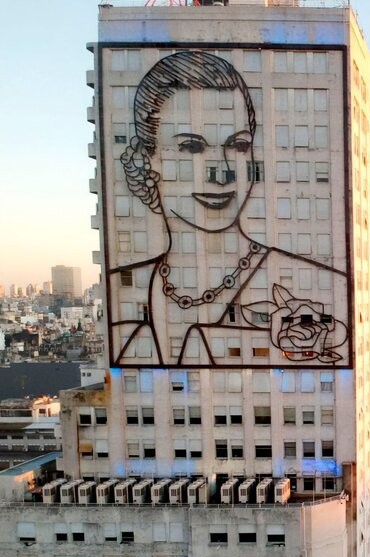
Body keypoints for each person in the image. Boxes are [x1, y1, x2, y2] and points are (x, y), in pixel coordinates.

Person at [108, 50, 347, 366]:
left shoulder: (322, 280)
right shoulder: (123, 287)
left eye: (238, 146)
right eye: (192, 147)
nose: (222, 171)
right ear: (148, 157)